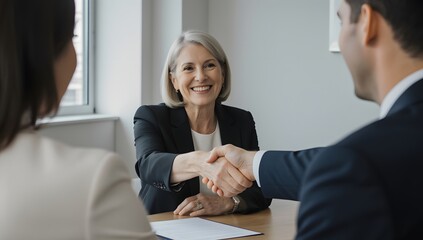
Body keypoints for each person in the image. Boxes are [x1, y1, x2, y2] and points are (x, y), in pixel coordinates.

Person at [205, 0, 423, 238]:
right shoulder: (377, 155)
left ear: (367, 23)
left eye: (341, 21)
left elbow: (354, 168)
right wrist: (254, 163)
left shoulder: (359, 164)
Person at [0, 0, 155, 239]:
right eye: (71, 36)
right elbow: (151, 163)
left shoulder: (234, 118)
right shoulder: (96, 179)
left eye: (210, 65)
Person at [133, 30, 272, 216]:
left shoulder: (241, 120)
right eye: (188, 68)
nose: (200, 76)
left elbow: (261, 189)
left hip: (230, 230)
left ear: (222, 74)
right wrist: (201, 163)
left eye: (209, 65)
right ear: (174, 80)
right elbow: (148, 166)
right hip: (165, 228)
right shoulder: (151, 116)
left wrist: (228, 203)